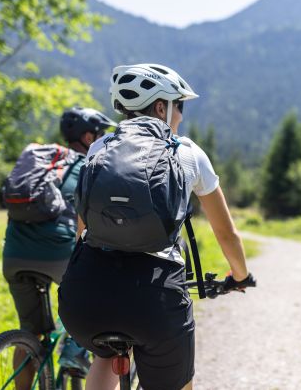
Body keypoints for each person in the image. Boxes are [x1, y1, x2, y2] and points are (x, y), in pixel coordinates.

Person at [58, 63, 254, 390]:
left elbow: (83, 228)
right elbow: (226, 233)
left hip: (85, 296)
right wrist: (240, 275)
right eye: (180, 106)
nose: (181, 116)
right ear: (162, 106)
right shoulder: (188, 152)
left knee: (104, 356)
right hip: (154, 300)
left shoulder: (98, 148)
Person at [2, 106, 116, 388]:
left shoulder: (43, 162)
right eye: (99, 135)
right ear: (89, 137)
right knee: (95, 301)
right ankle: (75, 353)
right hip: (60, 255)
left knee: (31, 333)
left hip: (14, 255)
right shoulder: (88, 166)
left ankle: (30, 349)